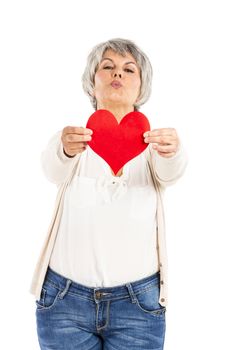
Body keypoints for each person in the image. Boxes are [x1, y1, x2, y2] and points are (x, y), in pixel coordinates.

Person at [30, 38, 188, 350]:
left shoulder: (155, 144)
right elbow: (52, 169)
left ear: (142, 87)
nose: (118, 74)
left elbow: (172, 172)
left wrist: (173, 153)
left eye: (129, 69)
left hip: (139, 306)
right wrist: (63, 149)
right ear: (92, 82)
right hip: (64, 303)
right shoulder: (73, 140)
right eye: (108, 67)